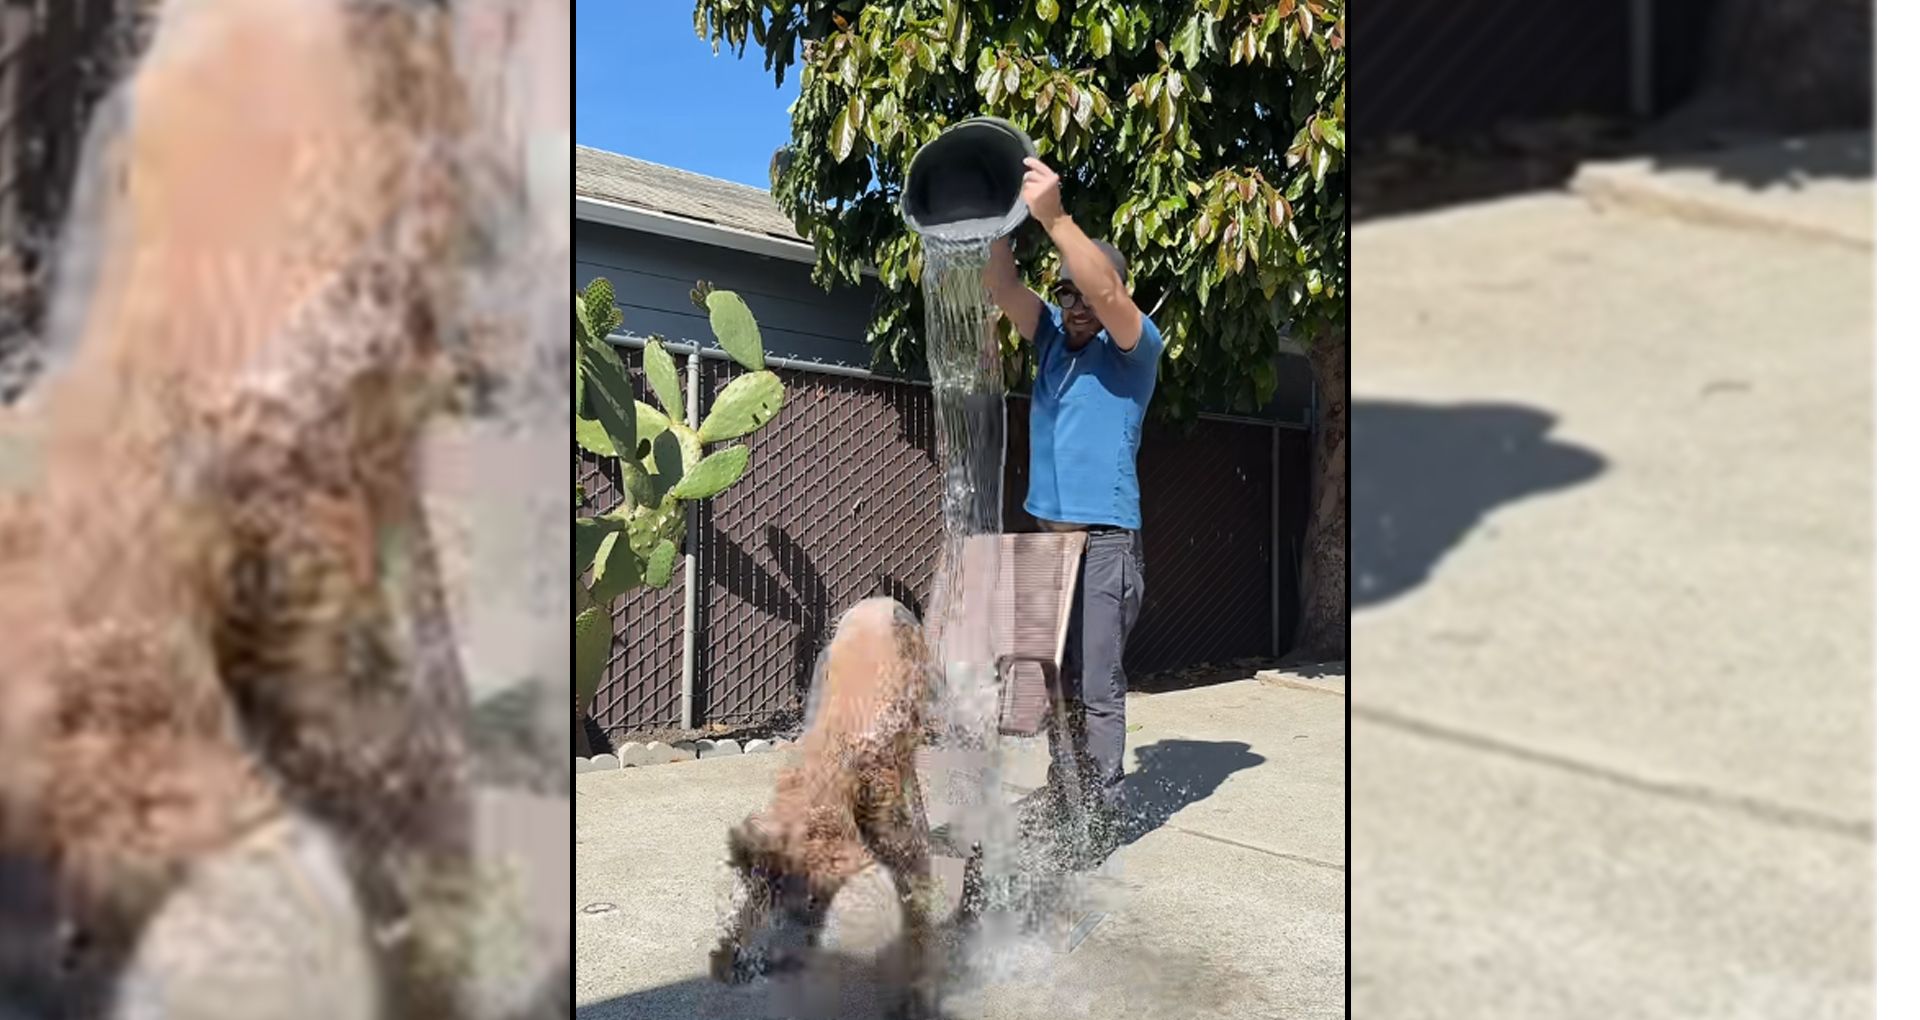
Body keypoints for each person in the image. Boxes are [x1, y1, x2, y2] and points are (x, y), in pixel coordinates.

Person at [982, 157, 1163, 864]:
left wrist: (1055, 218)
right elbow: (1002, 284)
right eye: (1068, 296)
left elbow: (1108, 291)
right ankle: (1065, 796)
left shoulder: (1134, 349)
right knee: (1047, 683)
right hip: (1044, 542)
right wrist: (998, 216)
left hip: (1106, 543)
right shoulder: (1052, 338)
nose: (1076, 308)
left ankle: (1105, 814)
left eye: (1085, 297)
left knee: (1096, 685)